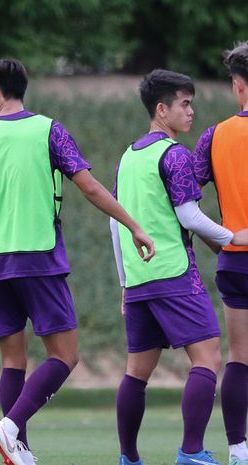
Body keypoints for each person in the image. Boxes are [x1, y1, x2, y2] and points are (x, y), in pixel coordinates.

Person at [0, 58, 155, 465]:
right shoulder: (50, 130)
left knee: (12, 360)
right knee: (66, 356)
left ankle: (19, 450)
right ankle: (11, 426)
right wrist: (133, 225)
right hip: (39, 260)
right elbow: (89, 186)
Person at [112, 69, 248, 465]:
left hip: (139, 280)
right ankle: (191, 451)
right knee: (207, 359)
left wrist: (124, 280)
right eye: (185, 104)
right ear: (162, 109)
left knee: (136, 371)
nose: (191, 112)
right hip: (173, 273)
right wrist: (232, 237)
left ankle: (128, 458)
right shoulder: (174, 155)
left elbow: (114, 221)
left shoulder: (128, 156)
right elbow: (189, 215)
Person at [193, 42, 248, 465]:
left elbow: (184, 199)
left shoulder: (215, 135)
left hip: (235, 260)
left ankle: (238, 450)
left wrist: (222, 237)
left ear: (237, 86)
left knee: (239, 358)